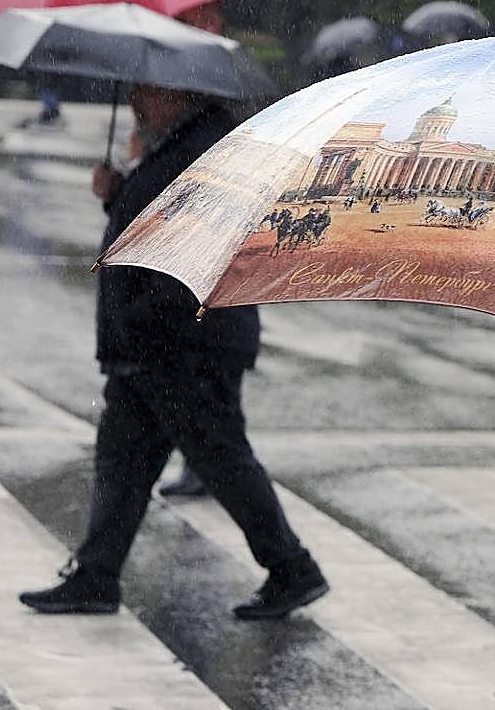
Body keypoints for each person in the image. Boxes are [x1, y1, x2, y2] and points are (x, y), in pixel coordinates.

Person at [20, 83, 329, 620]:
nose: (137, 101)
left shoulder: (206, 149)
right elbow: (151, 225)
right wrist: (117, 194)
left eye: (145, 92)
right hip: (155, 349)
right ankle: (95, 575)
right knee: (123, 460)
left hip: (185, 347)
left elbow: (195, 247)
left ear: (177, 91)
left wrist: (142, 317)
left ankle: (292, 568)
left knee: (221, 461)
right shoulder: (176, 143)